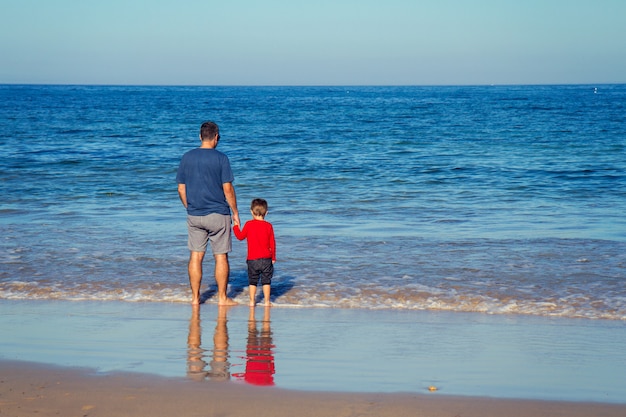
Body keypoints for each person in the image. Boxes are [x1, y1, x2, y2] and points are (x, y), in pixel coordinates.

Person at [176, 121, 240, 305]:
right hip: (218, 213)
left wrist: (189, 206)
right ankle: (222, 298)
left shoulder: (187, 157)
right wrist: (235, 212)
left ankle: (195, 298)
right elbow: (227, 188)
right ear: (217, 137)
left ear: (200, 136)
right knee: (220, 256)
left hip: (195, 213)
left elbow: (181, 189)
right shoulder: (221, 158)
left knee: (196, 255)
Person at [233, 198, 276, 307]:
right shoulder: (268, 226)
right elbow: (272, 243)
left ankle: (252, 301)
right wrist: (273, 257)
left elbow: (240, 236)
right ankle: (266, 302)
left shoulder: (248, 224)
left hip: (252, 259)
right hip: (266, 258)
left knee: (253, 281)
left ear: (251, 211)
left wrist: (235, 227)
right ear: (266, 213)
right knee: (266, 281)